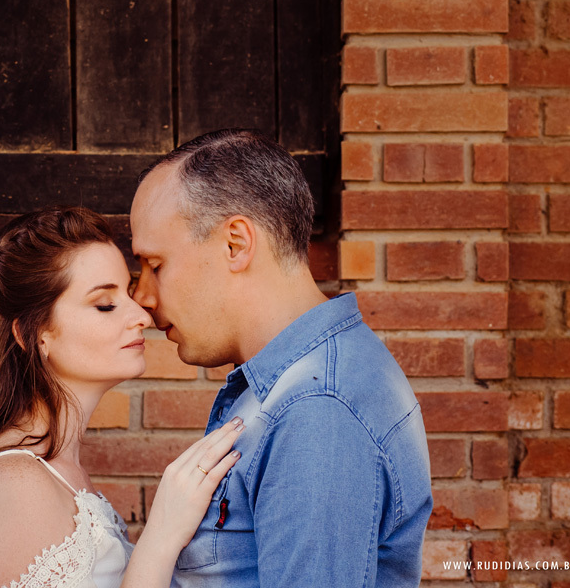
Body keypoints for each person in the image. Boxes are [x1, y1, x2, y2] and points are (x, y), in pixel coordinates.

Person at [130, 128, 433, 587]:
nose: (142, 296)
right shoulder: (293, 388)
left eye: (155, 265)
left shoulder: (317, 411)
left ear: (236, 244)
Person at [0, 207, 244, 588]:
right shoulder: (13, 485)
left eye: (128, 292)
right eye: (105, 304)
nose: (140, 314)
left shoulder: (55, 470)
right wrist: (162, 535)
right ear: (34, 334)